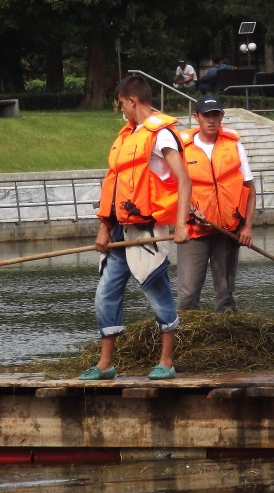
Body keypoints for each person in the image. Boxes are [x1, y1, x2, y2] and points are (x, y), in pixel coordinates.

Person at [79, 75, 191, 381]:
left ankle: (166, 362)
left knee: (157, 291)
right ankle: (105, 365)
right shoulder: (127, 135)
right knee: (105, 294)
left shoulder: (161, 135)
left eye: (121, 105)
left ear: (132, 100)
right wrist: (104, 227)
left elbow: (184, 179)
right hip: (118, 231)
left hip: (145, 230)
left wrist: (180, 224)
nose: (121, 112)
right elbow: (114, 186)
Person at [176, 95, 256, 313]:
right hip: (194, 230)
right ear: (196, 117)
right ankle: (186, 337)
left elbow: (249, 188)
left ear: (221, 117)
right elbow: (172, 189)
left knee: (225, 294)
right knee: (189, 293)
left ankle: (229, 337)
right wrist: (190, 212)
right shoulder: (182, 148)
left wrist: (247, 227)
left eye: (216, 115)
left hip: (227, 230)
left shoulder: (234, 145)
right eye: (206, 115)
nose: (211, 120)